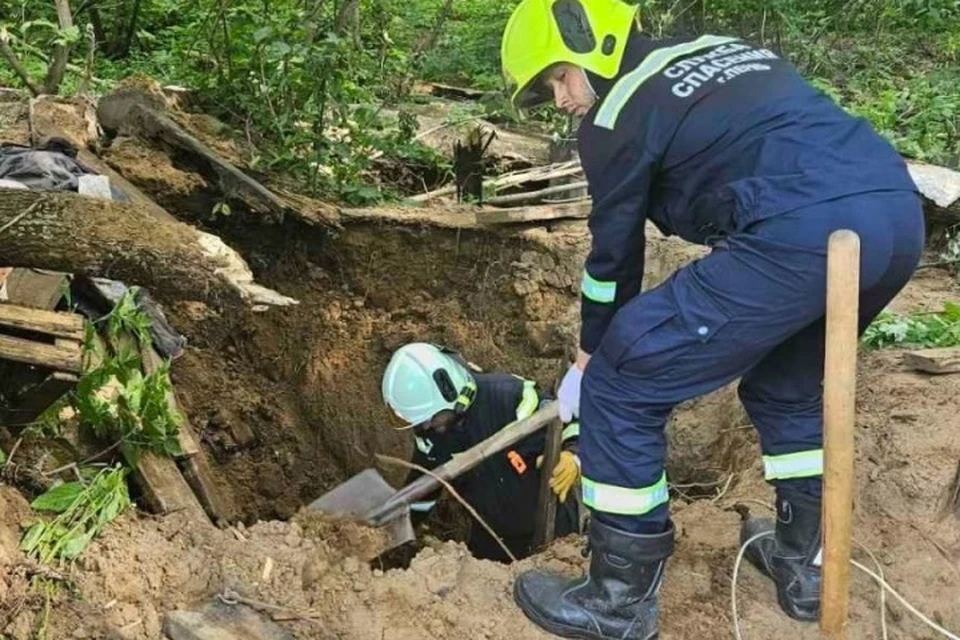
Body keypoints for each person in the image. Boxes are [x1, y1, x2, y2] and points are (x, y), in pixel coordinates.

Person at [499, 1, 924, 638]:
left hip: (799, 233)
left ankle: (617, 600)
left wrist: (589, 363)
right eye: (545, 90)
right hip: (896, 215)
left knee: (625, 374)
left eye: (557, 77)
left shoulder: (615, 115)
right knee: (785, 385)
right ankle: (804, 565)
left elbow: (613, 258)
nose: (558, 98)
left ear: (595, 45)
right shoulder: (722, 50)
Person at [381, 342, 582, 562]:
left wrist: (573, 454)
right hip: (491, 546)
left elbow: (568, 419)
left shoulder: (510, 398)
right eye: (420, 422)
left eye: (430, 418)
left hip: (553, 533)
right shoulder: (431, 437)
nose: (426, 426)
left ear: (449, 392)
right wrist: (389, 530)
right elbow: (425, 488)